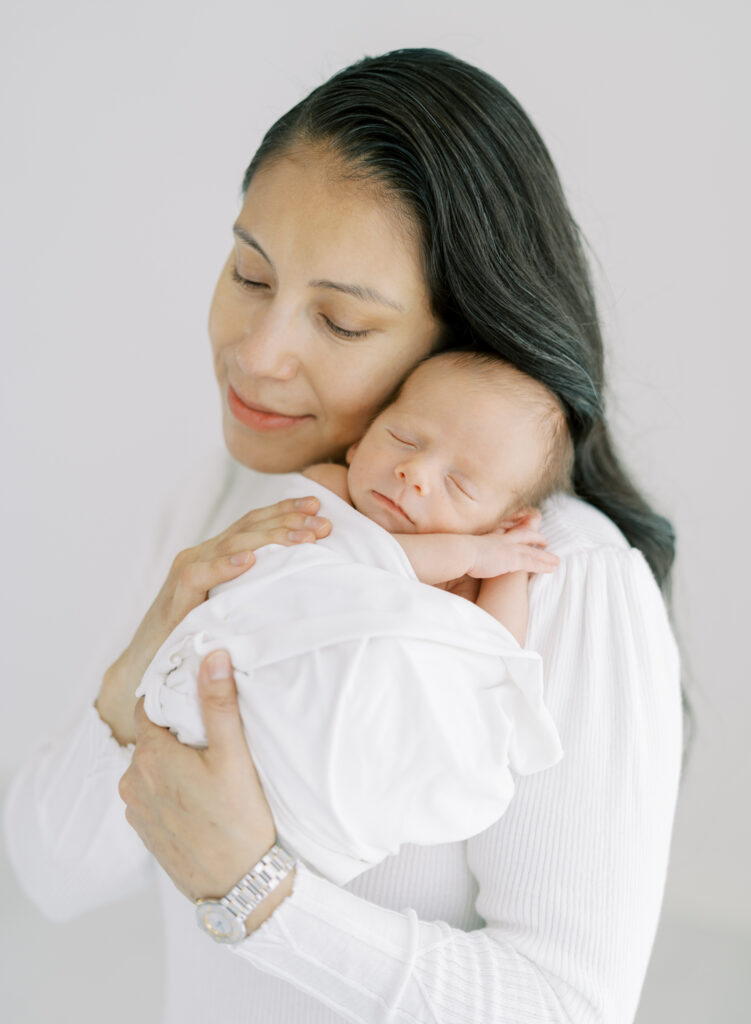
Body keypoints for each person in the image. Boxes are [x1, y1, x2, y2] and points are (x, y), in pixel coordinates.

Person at [3, 48, 684, 1024]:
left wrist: (260, 894)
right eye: (249, 272)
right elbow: (50, 874)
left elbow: (570, 1004)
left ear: (459, 347)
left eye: (341, 321)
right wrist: (129, 693)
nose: (258, 352)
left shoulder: (561, 578)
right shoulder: (223, 503)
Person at [136, 351, 569, 886]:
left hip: (355, 767)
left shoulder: (488, 574)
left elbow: (493, 653)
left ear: (509, 520)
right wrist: (469, 552)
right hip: (254, 694)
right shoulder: (327, 491)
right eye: (404, 439)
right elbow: (321, 566)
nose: (415, 472)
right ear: (360, 442)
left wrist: (507, 566)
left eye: (460, 484)